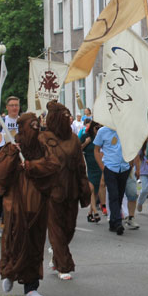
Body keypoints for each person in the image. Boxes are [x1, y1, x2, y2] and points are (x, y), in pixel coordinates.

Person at [0, 113, 60, 296]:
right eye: (31, 126)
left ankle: (31, 286)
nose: (35, 129)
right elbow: (0, 175)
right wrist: (12, 157)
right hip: (16, 207)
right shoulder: (12, 148)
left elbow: (53, 166)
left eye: (37, 125)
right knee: (13, 242)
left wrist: (32, 166)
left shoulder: (43, 148)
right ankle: (9, 272)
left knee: (34, 245)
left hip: (37, 206)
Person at [40, 101, 91, 280]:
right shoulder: (44, 138)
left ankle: (56, 253)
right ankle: (63, 265)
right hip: (52, 192)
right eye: (64, 116)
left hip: (71, 190)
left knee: (69, 227)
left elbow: (80, 165)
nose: (68, 119)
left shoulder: (73, 139)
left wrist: (84, 187)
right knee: (56, 228)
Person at [93, 125, 132, 235]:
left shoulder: (126, 129)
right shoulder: (103, 131)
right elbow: (96, 150)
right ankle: (118, 222)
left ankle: (113, 222)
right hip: (110, 168)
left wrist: (131, 164)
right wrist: (103, 167)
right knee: (113, 194)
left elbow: (133, 147)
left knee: (119, 195)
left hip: (124, 167)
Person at [80, 119, 103, 223]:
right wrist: (86, 142)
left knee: (96, 191)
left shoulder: (101, 137)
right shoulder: (86, 136)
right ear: (92, 128)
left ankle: (90, 213)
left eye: (100, 128)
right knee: (91, 189)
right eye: (96, 128)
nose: (98, 130)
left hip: (99, 165)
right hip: (89, 166)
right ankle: (96, 212)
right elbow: (78, 149)